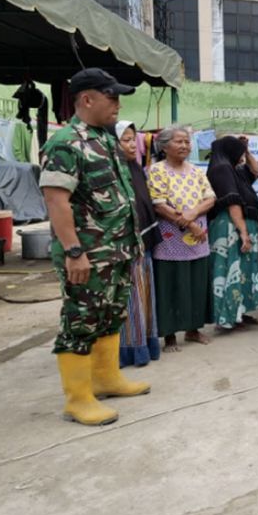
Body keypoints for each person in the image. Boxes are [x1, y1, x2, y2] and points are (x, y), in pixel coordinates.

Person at [40, 68, 149, 426]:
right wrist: (73, 251)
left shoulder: (103, 139)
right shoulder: (66, 143)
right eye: (111, 96)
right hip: (87, 253)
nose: (118, 103)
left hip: (116, 249)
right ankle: (78, 399)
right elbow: (56, 200)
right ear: (87, 99)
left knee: (111, 313)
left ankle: (106, 378)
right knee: (80, 321)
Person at [146, 125, 216, 352]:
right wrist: (189, 223)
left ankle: (193, 329)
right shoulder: (156, 171)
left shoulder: (196, 171)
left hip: (198, 239)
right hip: (170, 240)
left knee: (196, 284)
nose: (185, 145)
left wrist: (193, 215)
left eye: (187, 141)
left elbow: (210, 198)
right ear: (164, 146)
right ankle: (169, 336)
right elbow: (158, 204)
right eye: (179, 141)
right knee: (171, 286)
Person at [115, 120, 163, 368]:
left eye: (133, 139)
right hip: (124, 247)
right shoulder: (114, 171)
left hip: (142, 245)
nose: (132, 145)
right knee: (130, 300)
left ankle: (144, 344)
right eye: (125, 140)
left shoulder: (134, 169)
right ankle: (128, 351)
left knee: (143, 299)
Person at [207, 136, 258, 331]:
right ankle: (226, 316)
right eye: (239, 152)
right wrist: (242, 231)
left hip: (240, 225)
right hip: (231, 227)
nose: (242, 156)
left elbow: (256, 172)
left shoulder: (234, 170)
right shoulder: (222, 169)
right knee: (230, 269)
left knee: (242, 272)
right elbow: (233, 202)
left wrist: (246, 151)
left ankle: (238, 312)